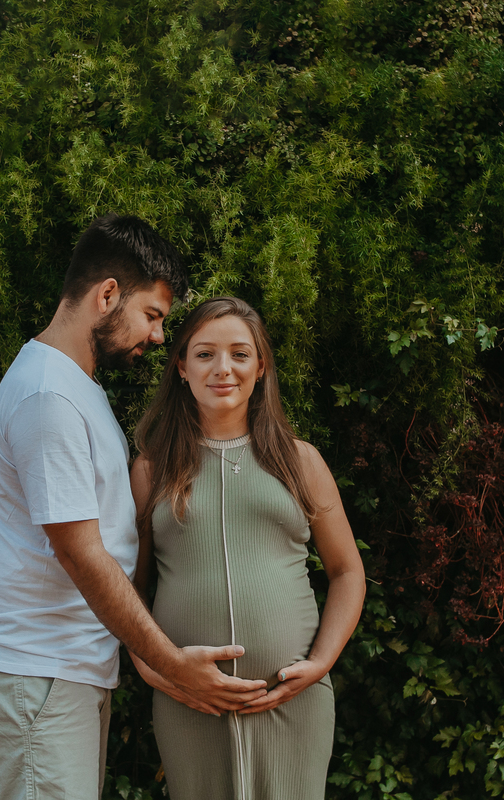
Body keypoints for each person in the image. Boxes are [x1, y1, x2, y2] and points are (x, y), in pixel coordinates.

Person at [0, 217, 269, 800]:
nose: (156, 336)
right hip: (34, 673)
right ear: (106, 296)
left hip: (57, 674)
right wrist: (170, 663)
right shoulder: (49, 398)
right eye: (152, 315)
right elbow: (82, 556)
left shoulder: (73, 387)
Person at [130, 296, 366, 800]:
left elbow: (348, 572)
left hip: (292, 702)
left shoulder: (300, 462)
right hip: (187, 702)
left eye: (240, 354)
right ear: (181, 367)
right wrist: (152, 668)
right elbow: (131, 588)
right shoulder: (152, 468)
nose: (223, 369)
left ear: (261, 367)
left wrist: (321, 662)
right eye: (204, 354)